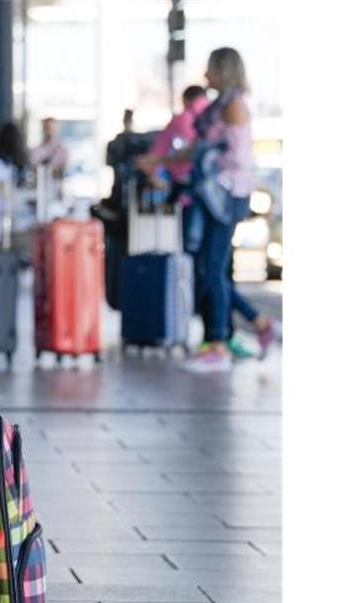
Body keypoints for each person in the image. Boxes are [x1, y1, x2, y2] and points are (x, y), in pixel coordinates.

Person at [140, 47, 277, 372]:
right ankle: (256, 324)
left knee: (211, 269)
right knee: (208, 268)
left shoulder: (231, 106)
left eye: (210, 68)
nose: (205, 75)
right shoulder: (220, 105)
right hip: (213, 195)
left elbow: (221, 154)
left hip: (226, 196)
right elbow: (196, 150)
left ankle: (218, 343)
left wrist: (168, 161)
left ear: (223, 70)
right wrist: (160, 160)